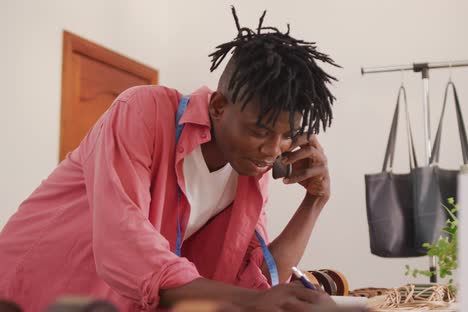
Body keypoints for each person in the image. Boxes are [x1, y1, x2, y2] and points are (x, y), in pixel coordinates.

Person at [0, 7, 343, 311]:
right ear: (219, 107)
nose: (271, 150)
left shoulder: (250, 169)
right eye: (259, 130)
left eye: (286, 136)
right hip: (28, 288)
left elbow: (251, 280)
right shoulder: (142, 111)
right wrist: (255, 300)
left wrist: (314, 202)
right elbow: (125, 244)